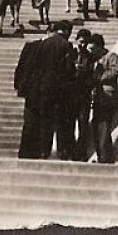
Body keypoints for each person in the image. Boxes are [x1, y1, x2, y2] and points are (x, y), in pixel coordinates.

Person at [13, 20, 75, 159]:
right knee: (47, 122)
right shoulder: (65, 45)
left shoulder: (33, 45)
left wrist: (20, 85)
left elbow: (22, 67)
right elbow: (67, 71)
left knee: (30, 122)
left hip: (32, 90)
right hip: (53, 91)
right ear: (65, 31)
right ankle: (42, 151)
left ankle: (26, 152)